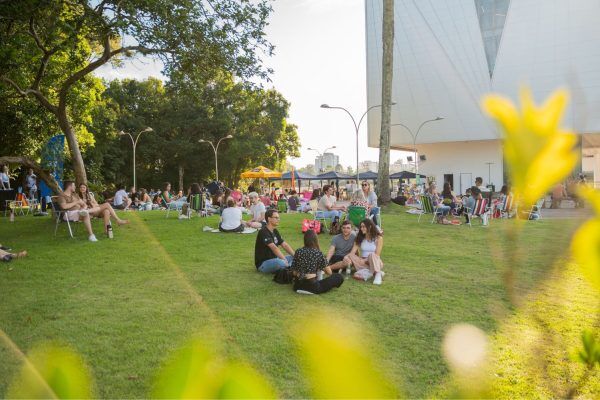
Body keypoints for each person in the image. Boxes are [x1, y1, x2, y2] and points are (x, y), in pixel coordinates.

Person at [291, 230, 344, 294]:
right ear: (316, 240)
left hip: (297, 286)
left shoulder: (298, 251)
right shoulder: (318, 253)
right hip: (312, 287)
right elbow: (329, 272)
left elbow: (294, 272)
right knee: (338, 277)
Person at [343, 218, 384, 285]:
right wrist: (346, 257)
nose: (361, 228)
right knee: (350, 256)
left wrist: (366, 260)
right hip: (363, 262)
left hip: (375, 261)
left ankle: (377, 274)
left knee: (372, 255)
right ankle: (371, 272)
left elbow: (377, 255)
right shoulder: (360, 238)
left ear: (370, 227)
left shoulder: (379, 238)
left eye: (364, 226)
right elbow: (352, 252)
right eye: (361, 227)